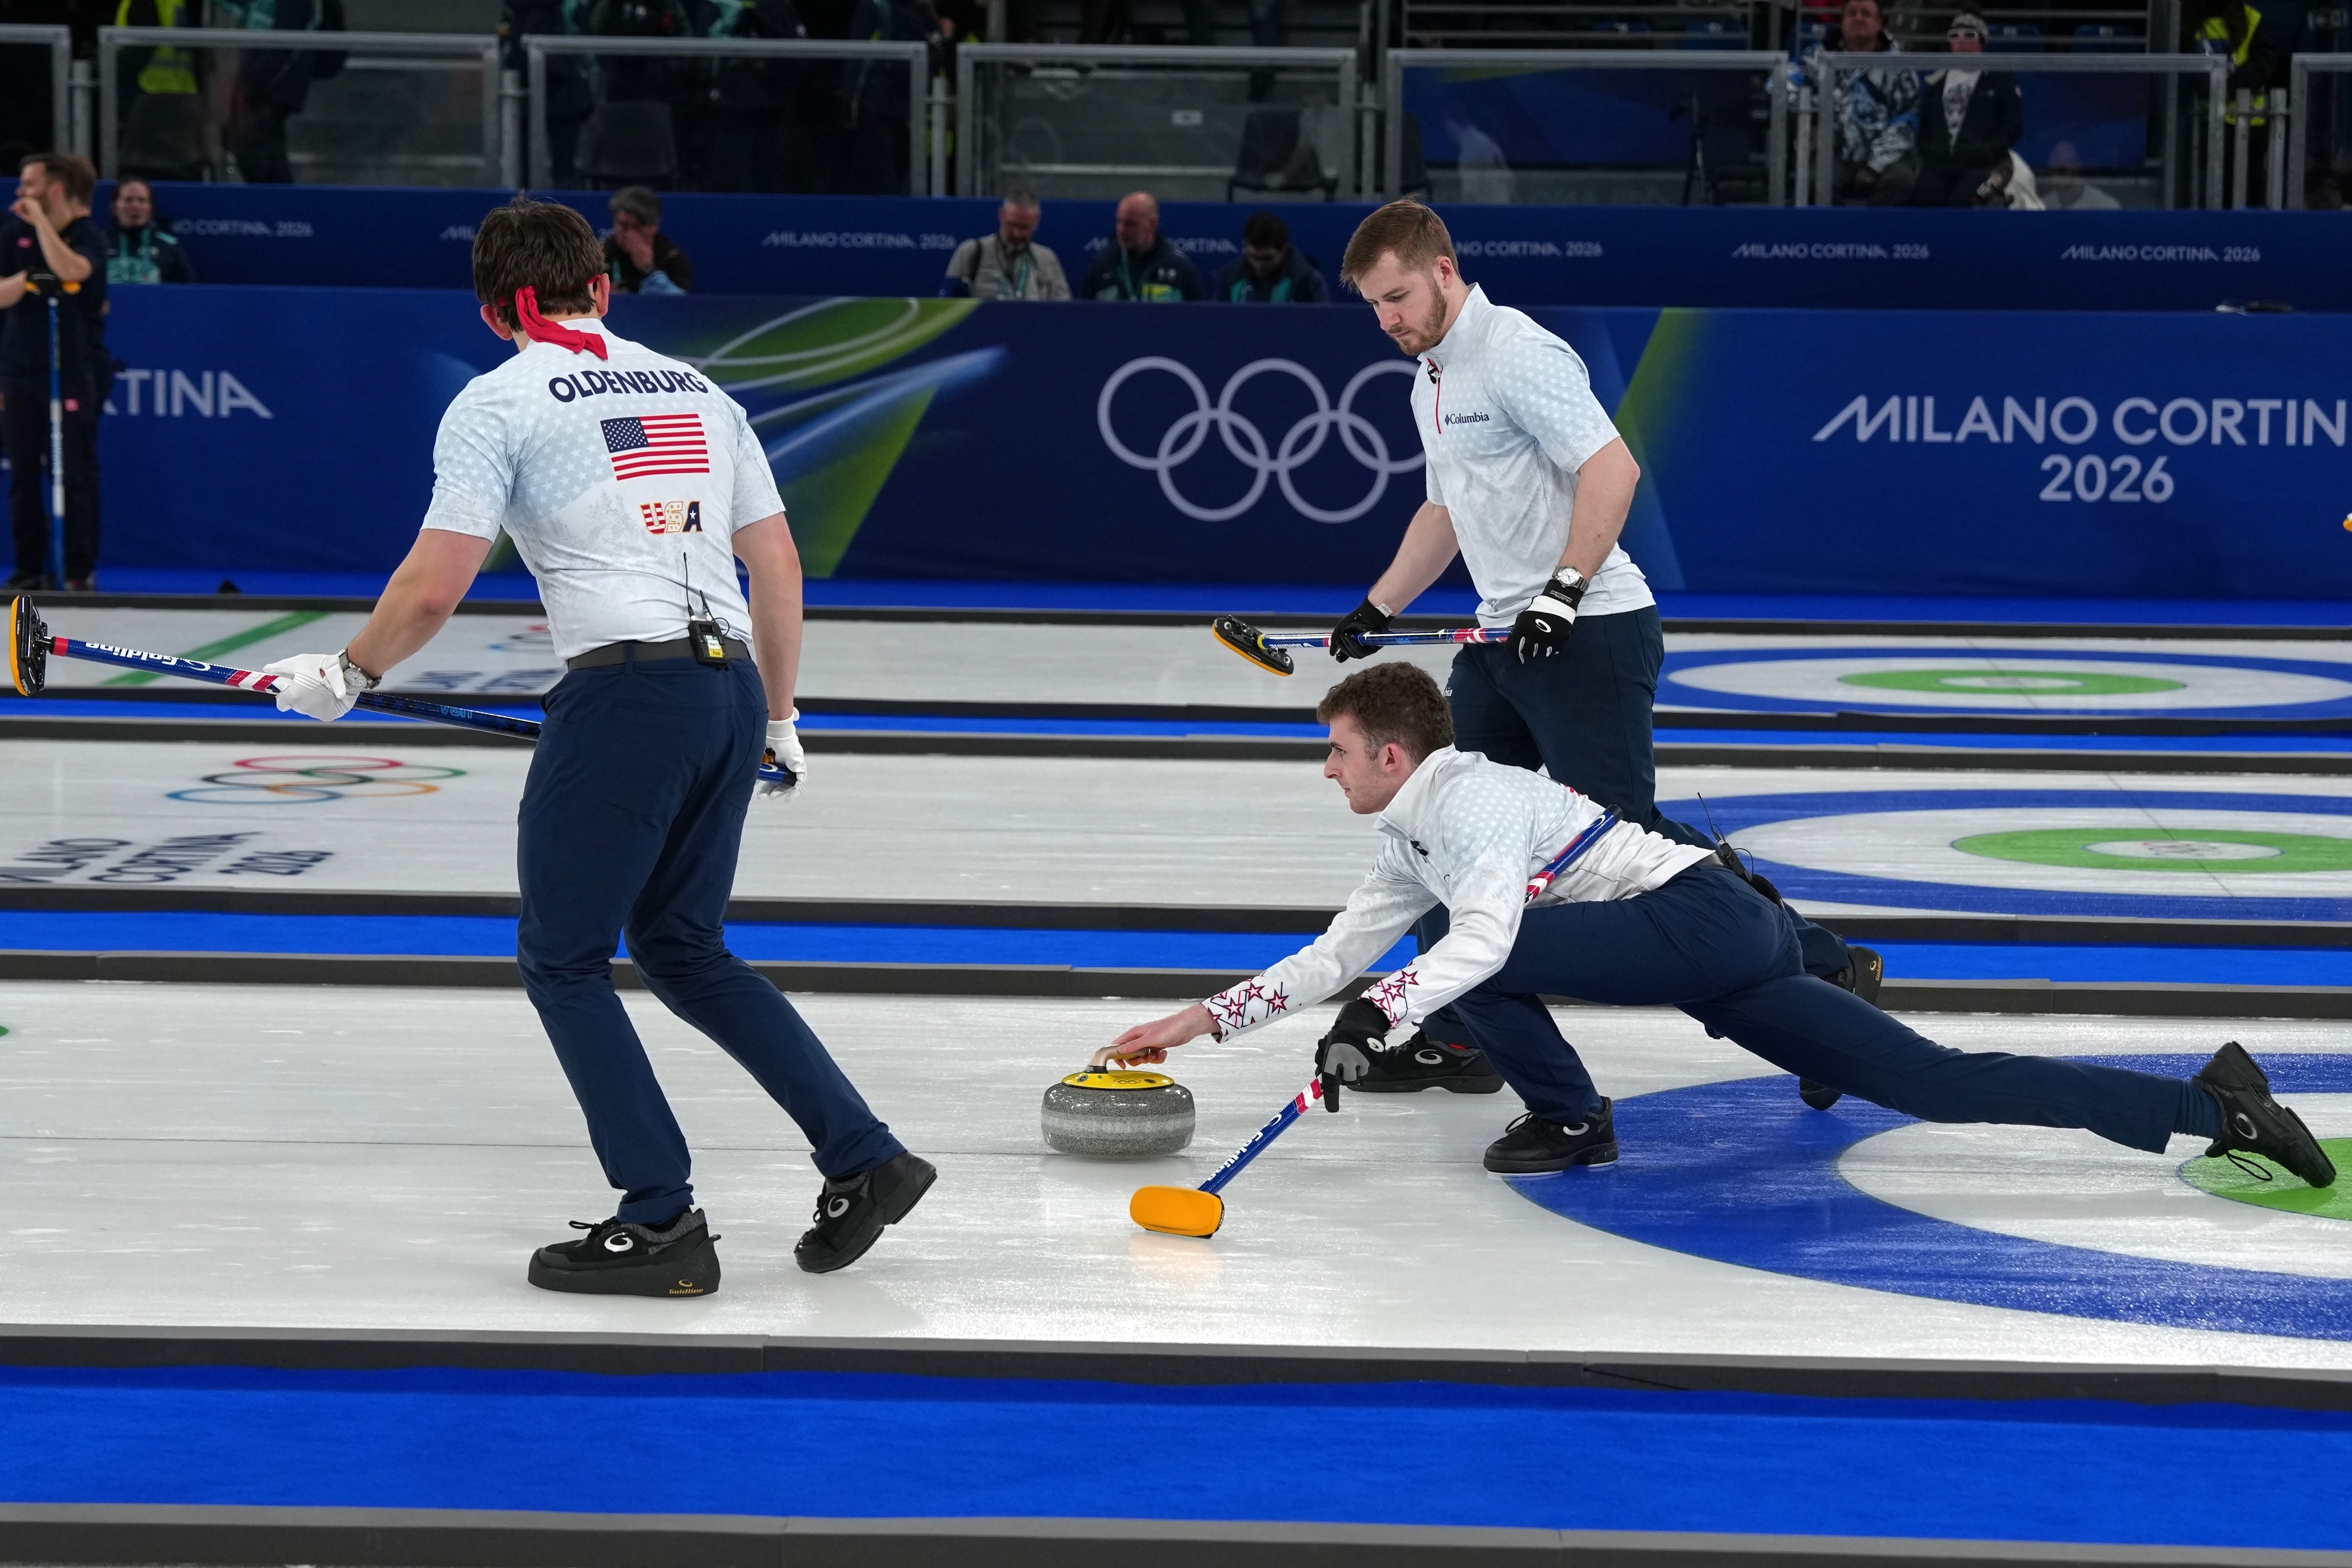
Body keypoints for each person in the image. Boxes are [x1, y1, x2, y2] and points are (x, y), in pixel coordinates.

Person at [255, 195, 933, 1294]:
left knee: (563, 955)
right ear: (604, 288)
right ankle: (866, 1157)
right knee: (685, 950)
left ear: (491, 311)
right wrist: (781, 719)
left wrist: (350, 674)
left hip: (626, 694)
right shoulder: (700, 389)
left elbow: (434, 586)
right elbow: (779, 567)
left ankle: (661, 1216)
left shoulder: (499, 399)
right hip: (726, 693)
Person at [1098, 663, 2338, 1200]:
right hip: (1718, 951)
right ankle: (2209, 1103)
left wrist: (1384, 1010)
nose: (1322, 772)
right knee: (1936, 1085)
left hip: (1694, 918)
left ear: (1385, 750)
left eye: (1329, 752)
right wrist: (1198, 1019)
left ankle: (1573, 1118)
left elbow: (1473, 942)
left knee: (1448, 951)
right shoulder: (1406, 833)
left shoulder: (1468, 801)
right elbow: (1330, 956)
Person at [1327, 199, 1867, 1100]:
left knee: (1624, 838)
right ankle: (1461, 1031)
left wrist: (1564, 590)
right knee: (1450, 820)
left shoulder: (1514, 352)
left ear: (1445, 270)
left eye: (1398, 297)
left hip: (1589, 629)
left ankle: (1821, 964)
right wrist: (1375, 605)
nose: (1388, 320)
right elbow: (1445, 513)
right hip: (1502, 637)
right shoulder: (1429, 379)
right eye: (1374, 307)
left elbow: (1610, 467)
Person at [0, 153, 106, 594]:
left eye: (30, 185)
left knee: (74, 471)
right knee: (24, 471)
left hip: (71, 372)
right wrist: (28, 279)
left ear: (55, 190)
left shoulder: (86, 235)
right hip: (20, 372)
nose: (21, 194)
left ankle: (78, 571)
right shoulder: (13, 236)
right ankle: (29, 568)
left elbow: (72, 271)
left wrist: (44, 224)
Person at [1796, 0, 1918, 206]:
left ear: (1879, 24)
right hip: (1834, 153)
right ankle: (1835, 237)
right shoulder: (1816, 58)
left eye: (1866, 14)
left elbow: (1907, 120)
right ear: (1842, 22)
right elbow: (1781, 84)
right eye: (1852, 13)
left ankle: (1876, 236)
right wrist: (1811, 115)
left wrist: (1874, 166)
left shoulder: (1900, 65)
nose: (1858, 18)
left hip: (1887, 158)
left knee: (1901, 181)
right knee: (1815, 181)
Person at [1909, 14, 2022, 207]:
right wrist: (1930, 151)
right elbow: (1924, 124)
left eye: (1969, 35)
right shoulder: (1935, 82)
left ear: (1981, 42)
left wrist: (1988, 152)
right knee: (1924, 199)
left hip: (1980, 164)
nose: (1960, 41)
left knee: (1963, 201)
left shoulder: (1999, 80)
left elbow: (2012, 124)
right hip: (1940, 163)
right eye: (1954, 35)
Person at [941, 190, 1070, 300]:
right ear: (1002, 215)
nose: (1017, 234)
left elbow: (1064, 311)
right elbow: (948, 307)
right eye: (1012, 225)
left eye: (1024, 228)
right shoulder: (971, 252)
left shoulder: (1047, 259)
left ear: (1036, 222)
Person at [1083, 191, 1203, 303]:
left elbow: (1197, 318)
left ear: (1153, 223)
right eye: (1119, 222)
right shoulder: (1102, 265)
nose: (1122, 230)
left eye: (1131, 224)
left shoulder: (1179, 267)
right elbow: (1086, 316)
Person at [1209, 211, 1327, 304]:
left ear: (1284, 250)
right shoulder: (1229, 278)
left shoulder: (1308, 280)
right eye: (1253, 257)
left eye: (1267, 258)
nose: (1259, 265)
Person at [104, 178, 196, 285]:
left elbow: (190, 291)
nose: (135, 206)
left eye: (142, 201)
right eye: (128, 200)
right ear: (114, 207)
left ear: (151, 208)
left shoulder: (169, 246)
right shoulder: (98, 244)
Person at [605, 186, 692, 295]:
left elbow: (679, 306)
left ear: (654, 227)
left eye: (638, 227)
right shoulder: (600, 254)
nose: (630, 235)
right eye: (624, 225)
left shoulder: (672, 258)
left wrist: (648, 269)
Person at [2039, 141, 2119, 210]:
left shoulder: (2105, 207)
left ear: (2077, 166)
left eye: (2062, 171)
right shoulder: (2043, 207)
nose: (2056, 176)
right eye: (2053, 171)